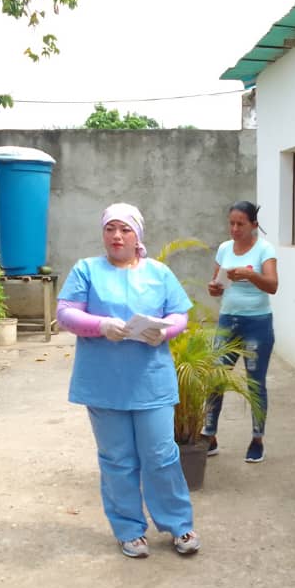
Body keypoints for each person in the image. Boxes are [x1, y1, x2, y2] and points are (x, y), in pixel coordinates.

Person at [56, 203, 199, 559]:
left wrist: (165, 332)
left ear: (138, 235)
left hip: (150, 380)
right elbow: (65, 313)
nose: (117, 236)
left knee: (162, 455)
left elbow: (179, 313)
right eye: (110, 229)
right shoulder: (86, 270)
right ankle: (129, 529)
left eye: (125, 229)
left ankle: (178, 524)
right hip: (103, 382)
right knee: (116, 459)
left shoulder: (159, 272)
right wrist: (99, 325)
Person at [202, 201, 278, 463]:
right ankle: (209, 434)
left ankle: (257, 439)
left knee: (255, 383)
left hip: (257, 323)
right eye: (231, 223)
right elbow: (217, 282)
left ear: (253, 225)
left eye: (240, 224)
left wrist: (248, 275)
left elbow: (272, 285)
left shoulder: (264, 249)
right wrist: (215, 287)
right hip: (228, 321)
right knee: (216, 378)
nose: (234, 229)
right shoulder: (224, 248)